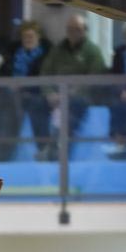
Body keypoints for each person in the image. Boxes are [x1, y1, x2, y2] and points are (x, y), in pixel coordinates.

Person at [37, 13, 107, 160]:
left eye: (77, 29)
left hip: (80, 97)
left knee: (73, 106)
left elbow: (94, 78)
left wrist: (66, 94)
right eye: (70, 29)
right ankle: (43, 146)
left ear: (85, 30)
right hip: (56, 95)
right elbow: (45, 73)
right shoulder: (57, 50)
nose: (73, 32)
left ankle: (60, 150)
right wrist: (49, 93)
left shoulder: (93, 51)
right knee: (35, 104)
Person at [0, 20, 52, 160]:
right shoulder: (14, 52)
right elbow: (1, 72)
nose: (28, 39)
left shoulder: (46, 55)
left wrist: (22, 87)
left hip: (32, 94)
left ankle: (5, 152)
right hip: (7, 92)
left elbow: (44, 79)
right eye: (25, 36)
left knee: (15, 108)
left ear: (38, 37)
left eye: (31, 36)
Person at [106, 22, 126, 160]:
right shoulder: (119, 53)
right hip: (124, 91)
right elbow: (113, 76)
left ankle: (125, 145)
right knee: (116, 104)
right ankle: (119, 144)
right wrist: (121, 91)